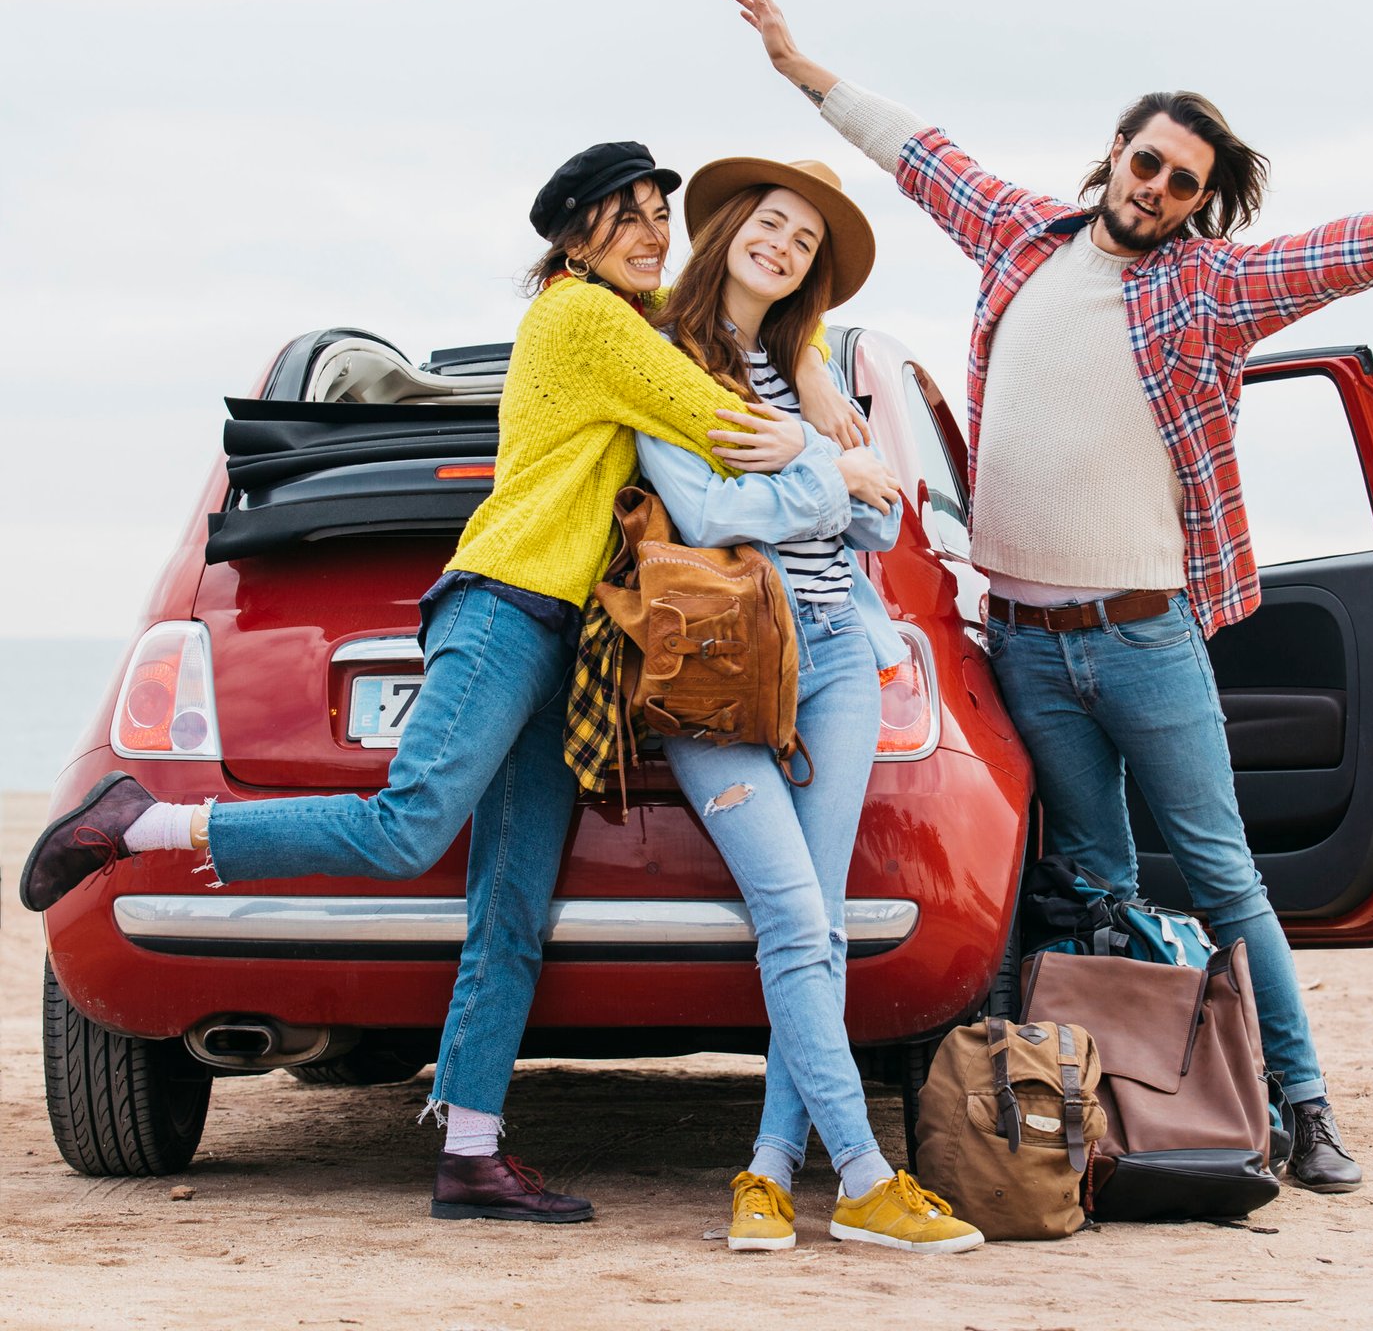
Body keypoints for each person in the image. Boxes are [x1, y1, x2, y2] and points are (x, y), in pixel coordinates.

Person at [729, 0, 1373, 1195]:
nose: (1157, 188)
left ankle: (1305, 1104)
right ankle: (1107, 1114)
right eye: (1148, 162)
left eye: (1182, 183)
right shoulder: (1019, 238)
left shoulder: (1205, 287)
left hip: (1144, 638)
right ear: (1115, 151)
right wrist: (801, 68)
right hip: (1026, 642)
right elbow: (918, 155)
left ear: (1197, 201)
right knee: (1091, 885)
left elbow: (1326, 256)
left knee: (1222, 875)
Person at [20, 139, 856, 1222]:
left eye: (662, 214)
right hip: (505, 603)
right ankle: (143, 823)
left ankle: (470, 1152)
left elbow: (740, 328)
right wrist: (836, 457)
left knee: (511, 900)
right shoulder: (586, 317)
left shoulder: (631, 316)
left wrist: (812, 359)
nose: (655, 235)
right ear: (575, 237)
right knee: (408, 825)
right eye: (630, 217)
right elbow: (725, 423)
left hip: (563, 641)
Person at [620, 154, 983, 1254]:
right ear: (731, 224)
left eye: (805, 241)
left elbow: (882, 520)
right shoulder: (670, 363)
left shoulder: (807, 372)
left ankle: (769, 1169)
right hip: (719, 668)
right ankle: (867, 1181)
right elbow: (706, 510)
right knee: (789, 914)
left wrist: (812, 452)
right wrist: (822, 471)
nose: (781, 246)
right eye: (771, 222)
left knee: (816, 928)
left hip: (834, 657)